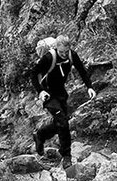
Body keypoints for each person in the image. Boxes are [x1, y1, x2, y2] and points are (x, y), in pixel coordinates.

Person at [31, 34, 95, 169]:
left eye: (66, 52)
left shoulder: (72, 55)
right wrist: (40, 91)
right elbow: (33, 74)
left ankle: (40, 135)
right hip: (48, 94)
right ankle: (66, 156)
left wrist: (89, 87)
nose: (64, 55)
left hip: (61, 92)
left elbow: (82, 71)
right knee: (63, 122)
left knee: (60, 123)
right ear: (56, 48)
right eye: (61, 52)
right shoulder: (49, 57)